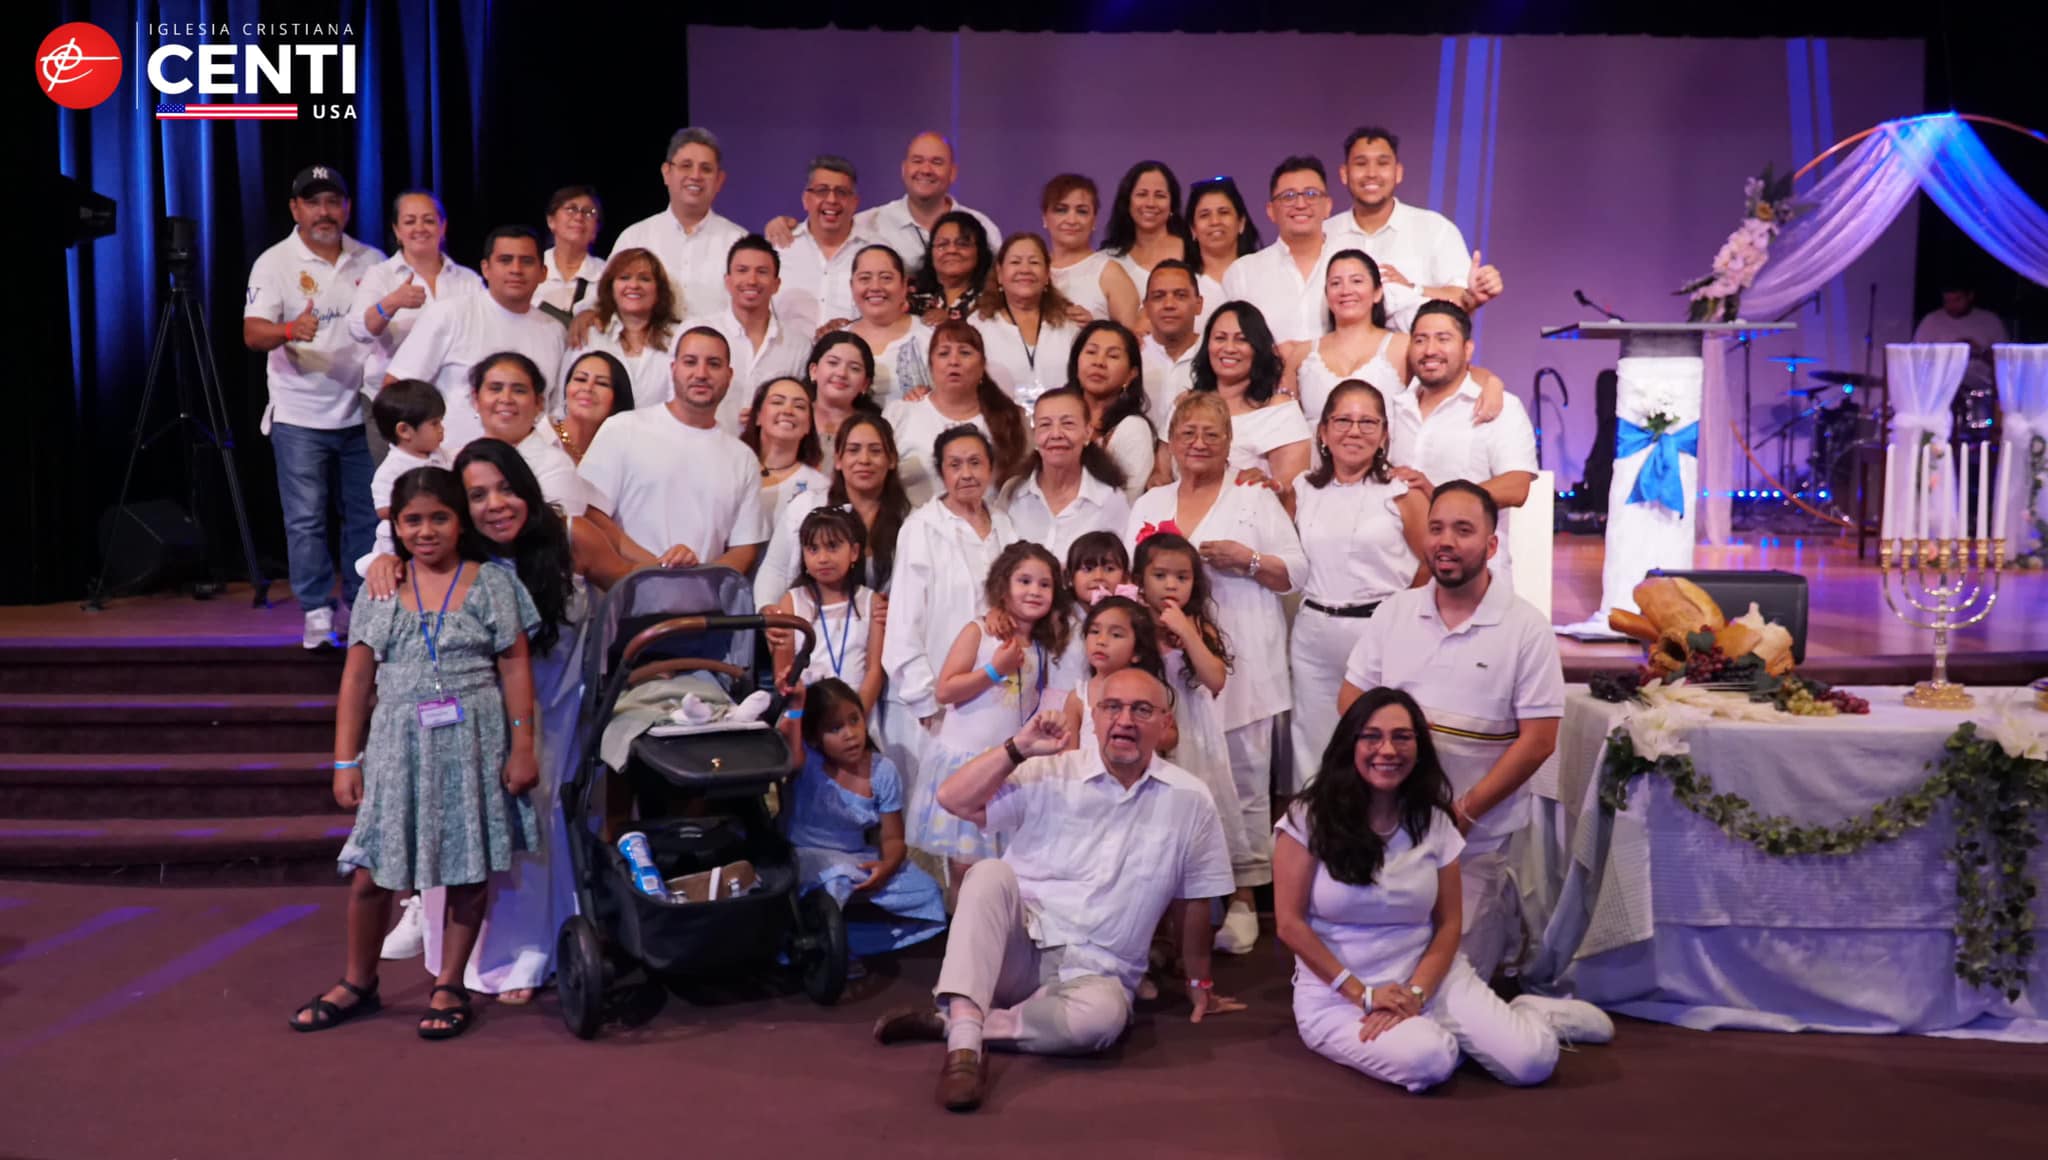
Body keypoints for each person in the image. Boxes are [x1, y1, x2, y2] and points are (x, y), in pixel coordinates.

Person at [870, 669, 1240, 1113]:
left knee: (1101, 1022)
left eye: (1141, 710)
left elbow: (1195, 898)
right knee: (987, 874)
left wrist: (1199, 981)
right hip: (1018, 951)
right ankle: (964, 1051)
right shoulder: (1050, 770)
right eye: (1112, 707)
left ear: (1165, 724)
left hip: (1098, 973)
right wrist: (1017, 748)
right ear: (1094, 718)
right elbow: (953, 799)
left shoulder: (1190, 799)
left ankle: (955, 1021)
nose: (1124, 720)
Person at [290, 466, 540, 1039]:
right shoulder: (381, 587)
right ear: (397, 527)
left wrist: (523, 745)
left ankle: (450, 983)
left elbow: (515, 666)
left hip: (474, 739)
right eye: (413, 521)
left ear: (460, 522)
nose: (426, 531)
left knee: (468, 866)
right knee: (371, 873)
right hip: (396, 743)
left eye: (439, 518)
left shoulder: (493, 584)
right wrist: (344, 760)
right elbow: (356, 681)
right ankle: (358, 982)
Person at [1275, 689, 1601, 1094]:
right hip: (1339, 993)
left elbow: (1448, 924)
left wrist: (1416, 993)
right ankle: (1459, 1034)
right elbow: (1289, 924)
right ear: (1349, 744)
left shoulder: (1434, 820)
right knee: (1428, 1060)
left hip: (1429, 979)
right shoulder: (1307, 817)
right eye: (1372, 736)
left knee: (1532, 1063)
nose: (1387, 750)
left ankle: (1531, 1015)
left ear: (1419, 748)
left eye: (1402, 737)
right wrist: (1363, 995)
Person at [413, 439, 636, 1001]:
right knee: (482, 824)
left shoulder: (571, 537)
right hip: (477, 713)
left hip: (559, 710)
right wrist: (388, 563)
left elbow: (637, 587)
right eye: (478, 495)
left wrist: (680, 565)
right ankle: (472, 947)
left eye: (506, 489)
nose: (496, 505)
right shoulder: (455, 556)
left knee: (539, 822)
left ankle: (533, 949)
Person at [1338, 482, 1564, 980]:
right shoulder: (1396, 611)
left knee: (1450, 984)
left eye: (1463, 530)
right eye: (1437, 528)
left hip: (1476, 838)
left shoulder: (1526, 628)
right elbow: (1351, 700)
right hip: (1392, 826)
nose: (1446, 541)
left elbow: (1539, 741)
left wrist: (1464, 812)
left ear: (1491, 544)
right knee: (1377, 975)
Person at [1127, 392, 1305, 954]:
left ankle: (1244, 898)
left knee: (1244, 781)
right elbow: (1131, 579)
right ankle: (1170, 902)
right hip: (1170, 670)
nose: (1199, 443)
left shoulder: (1253, 497)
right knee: (1172, 780)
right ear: (1171, 442)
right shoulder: (1150, 501)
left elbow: (1296, 573)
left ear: (1230, 442)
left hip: (1244, 662)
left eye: (1212, 433)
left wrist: (1247, 561)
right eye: (1188, 433)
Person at [243, 164, 385, 649]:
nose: (324, 212)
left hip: (362, 411)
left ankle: (364, 607)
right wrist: (289, 330)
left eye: (332, 202)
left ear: (347, 207)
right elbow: (252, 333)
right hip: (300, 414)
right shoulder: (274, 262)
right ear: (295, 209)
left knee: (367, 516)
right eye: (313, 202)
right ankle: (318, 610)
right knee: (306, 519)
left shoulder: (372, 260)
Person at [1288, 381, 1427, 791]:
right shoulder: (1302, 489)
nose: (1354, 431)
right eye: (1343, 421)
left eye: (1368, 422)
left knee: (1377, 740)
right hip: (1313, 632)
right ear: (1323, 431)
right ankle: (1314, 823)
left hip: (1378, 632)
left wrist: (1400, 614)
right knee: (1313, 742)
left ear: (1384, 435)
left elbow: (1431, 563)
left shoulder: (1402, 493)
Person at [907, 541, 1075, 876]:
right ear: (1003, 585)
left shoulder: (1041, 644)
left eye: (1044, 584)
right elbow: (945, 690)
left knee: (1004, 864)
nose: (1034, 591)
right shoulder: (980, 631)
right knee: (965, 867)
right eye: (1024, 581)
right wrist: (995, 670)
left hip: (1008, 763)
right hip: (967, 763)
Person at [881, 427, 1019, 788]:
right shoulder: (922, 528)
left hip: (996, 695)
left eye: (975, 463)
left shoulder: (1005, 525)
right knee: (940, 804)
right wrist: (924, 699)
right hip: (938, 702)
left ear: (990, 468)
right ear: (942, 472)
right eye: (955, 465)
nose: (966, 474)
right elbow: (903, 623)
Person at [776, 677, 947, 962]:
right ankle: (826, 951)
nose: (850, 734)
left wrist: (886, 867)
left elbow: (893, 838)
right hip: (805, 853)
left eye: (854, 720)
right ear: (815, 738)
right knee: (836, 882)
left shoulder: (883, 771)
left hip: (855, 857)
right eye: (835, 728)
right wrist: (796, 704)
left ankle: (847, 944)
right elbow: (791, 756)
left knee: (928, 893)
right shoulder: (809, 761)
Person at [577, 327, 768, 573]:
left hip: (702, 595)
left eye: (713, 364)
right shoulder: (623, 428)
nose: (701, 374)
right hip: (625, 588)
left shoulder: (743, 458)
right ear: (673, 368)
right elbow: (592, 514)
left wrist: (697, 581)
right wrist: (657, 569)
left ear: (729, 375)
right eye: (690, 362)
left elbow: (744, 548)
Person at [1386, 301, 1537, 582]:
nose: (1430, 350)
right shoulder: (1394, 407)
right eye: (1420, 340)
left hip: (1474, 578)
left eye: (1443, 339)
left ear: (1468, 349)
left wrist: (1441, 497)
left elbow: (1517, 486)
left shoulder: (1500, 406)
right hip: (1399, 578)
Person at [1130, 530, 1248, 890]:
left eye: (1182, 577)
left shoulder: (1199, 626)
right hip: (1148, 732)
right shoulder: (1132, 625)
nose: (1171, 585)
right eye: (1160, 575)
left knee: (1197, 812)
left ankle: (1214, 897)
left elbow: (1215, 680)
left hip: (1194, 733)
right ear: (1139, 580)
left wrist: (1188, 633)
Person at [384, 225, 566, 453]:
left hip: (527, 466)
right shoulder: (449, 314)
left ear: (543, 273)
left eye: (527, 261)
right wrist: (422, 456)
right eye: (505, 260)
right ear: (485, 268)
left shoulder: (554, 331)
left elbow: (555, 411)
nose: (516, 269)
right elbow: (396, 391)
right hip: (449, 463)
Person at [1321, 127, 1503, 326]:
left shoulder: (1434, 229)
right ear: (1344, 174)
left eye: (1382, 163)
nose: (1371, 173)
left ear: (1398, 172)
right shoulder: (1323, 234)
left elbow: (1462, 298)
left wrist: (1412, 288)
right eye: (1361, 164)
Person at [753, 410, 912, 611]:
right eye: (853, 450)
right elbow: (776, 568)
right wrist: (768, 608)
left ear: (892, 460)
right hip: (806, 622)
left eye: (875, 451)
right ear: (838, 460)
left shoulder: (910, 521)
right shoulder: (806, 506)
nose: (864, 459)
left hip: (878, 626)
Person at [347, 190, 483, 408]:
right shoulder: (380, 275)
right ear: (397, 231)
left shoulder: (468, 280)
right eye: (410, 221)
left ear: (443, 227)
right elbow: (359, 330)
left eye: (429, 221)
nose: (420, 228)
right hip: (393, 401)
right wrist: (392, 302)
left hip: (456, 402)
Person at [883, 319, 1028, 506]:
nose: (953, 361)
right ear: (931, 365)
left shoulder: (1010, 418)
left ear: (982, 366)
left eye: (965, 353)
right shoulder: (900, 414)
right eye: (944, 353)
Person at [606, 127, 747, 317]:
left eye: (706, 169)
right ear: (666, 173)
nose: (695, 176)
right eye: (686, 166)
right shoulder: (635, 238)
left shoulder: (738, 241)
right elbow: (603, 302)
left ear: (719, 180)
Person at [690, 235, 813, 434]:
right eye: (742, 270)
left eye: (762, 272)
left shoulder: (799, 346)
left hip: (769, 450)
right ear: (727, 281)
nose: (752, 280)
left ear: (776, 284)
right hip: (702, 443)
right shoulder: (696, 332)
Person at [771, 507, 889, 712]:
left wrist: (856, 718)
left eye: (832, 546)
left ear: (854, 552)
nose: (823, 558)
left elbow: (874, 671)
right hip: (807, 713)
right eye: (813, 549)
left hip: (860, 712)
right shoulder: (791, 603)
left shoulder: (871, 602)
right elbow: (784, 673)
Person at [1191, 302, 1312, 501]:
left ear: (1258, 348)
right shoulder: (1186, 404)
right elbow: (1162, 475)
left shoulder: (1279, 411)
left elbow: (1293, 496)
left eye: (1242, 340)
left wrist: (1270, 487)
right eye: (1220, 338)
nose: (1229, 348)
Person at [1000, 387, 1132, 560]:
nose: (1056, 434)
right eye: (1045, 425)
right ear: (1035, 435)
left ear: (1087, 433)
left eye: (1068, 423)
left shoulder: (1109, 500)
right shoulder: (1013, 493)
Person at [1222, 156, 1337, 345]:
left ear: (1328, 206)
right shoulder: (1242, 273)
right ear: (1270, 211)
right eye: (1288, 196)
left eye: (1311, 194)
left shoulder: (1353, 266)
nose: (1301, 204)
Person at [1292, 249, 1406, 430]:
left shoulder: (1403, 346)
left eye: (1356, 281)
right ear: (1327, 295)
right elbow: (1283, 420)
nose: (1346, 291)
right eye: (1336, 283)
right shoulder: (1301, 354)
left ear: (1377, 292)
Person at [851, 132, 1002, 266]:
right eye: (917, 161)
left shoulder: (982, 227)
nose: (925, 170)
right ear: (904, 169)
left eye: (936, 162)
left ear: (953, 172)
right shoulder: (869, 223)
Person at [971, 233, 1078, 405]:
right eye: (1015, 262)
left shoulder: (1070, 323)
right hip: (999, 419)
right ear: (1000, 273)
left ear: (1047, 274)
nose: (1025, 270)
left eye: (1034, 262)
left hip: (1061, 418)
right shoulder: (978, 325)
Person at [772, 156, 876, 331]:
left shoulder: (876, 251)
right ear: (806, 199)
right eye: (822, 191)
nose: (832, 200)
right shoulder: (779, 248)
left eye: (841, 192)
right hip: (789, 348)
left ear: (855, 203)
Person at [573, 246, 681, 412]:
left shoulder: (678, 338)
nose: (634, 285)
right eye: (624, 277)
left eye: (644, 279)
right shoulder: (590, 334)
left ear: (658, 290)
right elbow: (564, 401)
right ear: (611, 287)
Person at [1066, 321, 1161, 495]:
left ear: (1131, 374)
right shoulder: (1056, 416)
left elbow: (1125, 499)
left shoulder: (1133, 428)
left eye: (1113, 356)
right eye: (1091, 352)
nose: (1099, 362)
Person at [1041, 174, 1140, 328]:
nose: (1071, 220)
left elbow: (1133, 338)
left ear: (1094, 220)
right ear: (1045, 218)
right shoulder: (1034, 270)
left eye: (1082, 211)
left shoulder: (1110, 273)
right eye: (1061, 210)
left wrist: (1094, 329)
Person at [365, 381, 449, 563]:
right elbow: (383, 510)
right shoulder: (391, 469)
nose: (441, 429)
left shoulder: (442, 455)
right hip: (400, 545)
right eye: (435, 424)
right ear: (404, 431)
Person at [741, 375, 832, 531]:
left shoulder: (820, 487)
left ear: (809, 425)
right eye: (777, 402)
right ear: (757, 416)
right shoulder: (733, 469)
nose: (788, 411)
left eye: (799, 406)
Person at [845, 245, 932, 405]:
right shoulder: (836, 342)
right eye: (865, 278)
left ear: (904, 285)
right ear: (852, 286)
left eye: (886, 278)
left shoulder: (931, 337)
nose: (875, 287)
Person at [1104, 161, 1193, 302]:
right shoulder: (1108, 260)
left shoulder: (1195, 252)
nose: (1150, 203)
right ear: (1127, 202)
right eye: (1142, 194)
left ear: (1172, 205)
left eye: (1160, 195)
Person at [1139, 260, 1207, 439]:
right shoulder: (1132, 356)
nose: (1169, 304)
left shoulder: (1214, 356)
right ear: (1146, 307)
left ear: (1199, 304)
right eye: (1158, 296)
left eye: (1180, 295)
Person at [1913, 282, 2006, 400]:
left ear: (1970, 296)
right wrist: (1950, 352)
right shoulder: (1931, 321)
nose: (1952, 306)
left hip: (1979, 390)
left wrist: (1979, 352)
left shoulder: (1990, 321)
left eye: (1957, 300)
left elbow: (2005, 360)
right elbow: (1918, 359)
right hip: (1942, 390)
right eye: (1947, 301)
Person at [1185, 176, 1257, 319]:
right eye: (1204, 215)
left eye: (1223, 212)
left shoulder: (1263, 275)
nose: (1215, 221)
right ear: (1193, 229)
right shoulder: (1182, 284)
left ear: (1241, 223)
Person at [806, 330, 883, 459]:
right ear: (814, 371)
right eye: (833, 363)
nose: (842, 373)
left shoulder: (874, 428)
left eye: (854, 368)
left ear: (865, 384)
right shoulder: (794, 416)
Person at [910, 211, 995, 324]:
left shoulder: (992, 301)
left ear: (980, 251)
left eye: (962, 244)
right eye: (942, 244)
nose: (951, 250)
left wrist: (951, 322)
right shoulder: (912, 299)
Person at [552, 350, 635, 466]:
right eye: (580, 379)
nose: (588, 388)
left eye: (602, 383)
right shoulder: (541, 436)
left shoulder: (624, 454)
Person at [537, 185, 605, 319]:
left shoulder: (606, 275)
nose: (579, 217)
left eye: (589, 212)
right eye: (571, 209)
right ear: (551, 221)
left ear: (596, 229)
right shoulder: (532, 268)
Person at [1066, 530, 1130, 604]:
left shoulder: (1133, 610)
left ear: (1125, 577)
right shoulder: (1059, 610)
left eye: (1109, 569)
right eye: (1088, 569)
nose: (1098, 576)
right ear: (1070, 577)